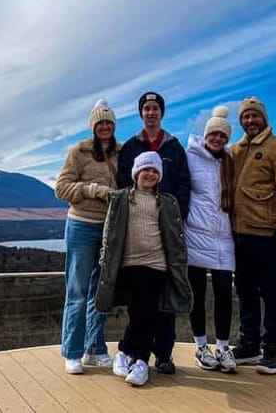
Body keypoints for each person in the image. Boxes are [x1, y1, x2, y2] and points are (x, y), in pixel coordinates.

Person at [95, 151, 192, 387]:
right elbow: (109, 233)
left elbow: (174, 236)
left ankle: (137, 360)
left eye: (154, 171)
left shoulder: (167, 202)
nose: (149, 174)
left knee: (147, 313)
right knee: (142, 313)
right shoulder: (121, 199)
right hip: (129, 264)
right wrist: (104, 259)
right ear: (136, 173)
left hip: (157, 265)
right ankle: (129, 354)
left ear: (159, 176)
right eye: (145, 170)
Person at [116, 91, 191, 374]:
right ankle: (135, 353)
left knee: (166, 295)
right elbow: (122, 183)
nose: (151, 113)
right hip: (139, 229)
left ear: (162, 112)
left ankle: (164, 354)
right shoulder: (131, 147)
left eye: (155, 108)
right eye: (146, 108)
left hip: (166, 231)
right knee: (141, 301)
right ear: (141, 113)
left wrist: (176, 215)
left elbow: (185, 184)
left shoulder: (174, 147)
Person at [231, 97, 276, 374]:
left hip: (266, 235)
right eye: (245, 117)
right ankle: (249, 344)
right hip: (238, 234)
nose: (250, 121)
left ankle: (273, 348)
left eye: (254, 116)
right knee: (245, 292)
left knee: (270, 292)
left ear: (263, 118)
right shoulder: (235, 151)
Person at [55, 99, 121, 374]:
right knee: (78, 290)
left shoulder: (122, 152)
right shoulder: (78, 152)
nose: (104, 126)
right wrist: (92, 190)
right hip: (81, 225)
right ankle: (72, 351)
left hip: (109, 228)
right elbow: (61, 189)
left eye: (109, 122)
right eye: (100, 122)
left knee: (100, 291)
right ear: (93, 126)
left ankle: (95, 349)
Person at [184, 106, 236, 373]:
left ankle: (224, 347)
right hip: (195, 234)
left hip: (224, 238)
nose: (217, 139)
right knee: (197, 295)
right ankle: (201, 345)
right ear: (206, 135)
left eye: (222, 136)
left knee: (224, 295)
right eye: (213, 134)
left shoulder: (231, 161)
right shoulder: (190, 157)